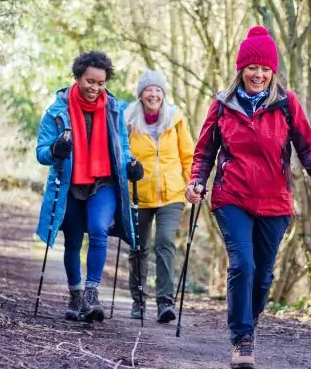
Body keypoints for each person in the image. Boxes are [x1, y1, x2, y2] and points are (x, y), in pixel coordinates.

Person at [185, 26, 311, 369]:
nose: (259, 74)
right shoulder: (222, 104)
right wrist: (196, 181)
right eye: (253, 68)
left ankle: (246, 323)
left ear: (273, 71)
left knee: (264, 275)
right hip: (231, 196)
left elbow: (308, 146)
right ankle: (242, 338)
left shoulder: (286, 103)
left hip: (274, 201)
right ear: (242, 69)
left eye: (266, 68)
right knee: (243, 265)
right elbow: (205, 151)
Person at [34, 51, 144, 323]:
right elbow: (41, 153)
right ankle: (75, 294)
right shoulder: (57, 110)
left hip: (103, 182)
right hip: (70, 183)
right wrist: (56, 151)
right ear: (78, 77)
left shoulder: (114, 109)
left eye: (101, 83)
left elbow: (122, 146)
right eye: (90, 81)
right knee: (72, 240)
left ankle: (91, 295)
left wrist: (131, 164)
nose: (95, 88)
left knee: (98, 230)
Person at [122, 70, 195, 323]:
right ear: (141, 94)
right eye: (148, 90)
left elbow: (188, 155)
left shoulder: (175, 119)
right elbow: (119, 154)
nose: (153, 94)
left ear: (163, 94)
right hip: (138, 194)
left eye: (158, 90)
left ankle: (165, 301)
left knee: (164, 241)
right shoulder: (128, 121)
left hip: (172, 193)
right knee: (138, 247)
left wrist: (193, 183)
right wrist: (125, 170)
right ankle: (138, 301)